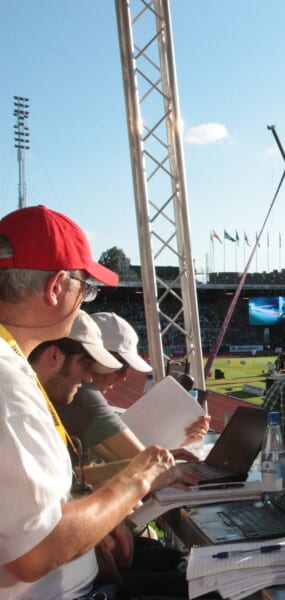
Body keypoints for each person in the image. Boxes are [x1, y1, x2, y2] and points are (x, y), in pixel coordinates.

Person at [0, 205, 185, 597]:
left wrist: (95, 520)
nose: (85, 299)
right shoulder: (6, 381)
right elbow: (35, 551)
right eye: (85, 288)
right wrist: (138, 479)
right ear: (55, 288)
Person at [29, 310, 198, 596]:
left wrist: (147, 471)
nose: (88, 376)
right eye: (88, 362)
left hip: (84, 569)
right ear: (54, 356)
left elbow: (71, 480)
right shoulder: (40, 406)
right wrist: (97, 525)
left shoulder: (40, 401)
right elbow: (32, 553)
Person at [55, 311, 210, 463]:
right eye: (120, 367)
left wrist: (180, 440)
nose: (123, 377)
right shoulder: (84, 395)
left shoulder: (67, 392)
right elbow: (144, 463)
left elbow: (120, 460)